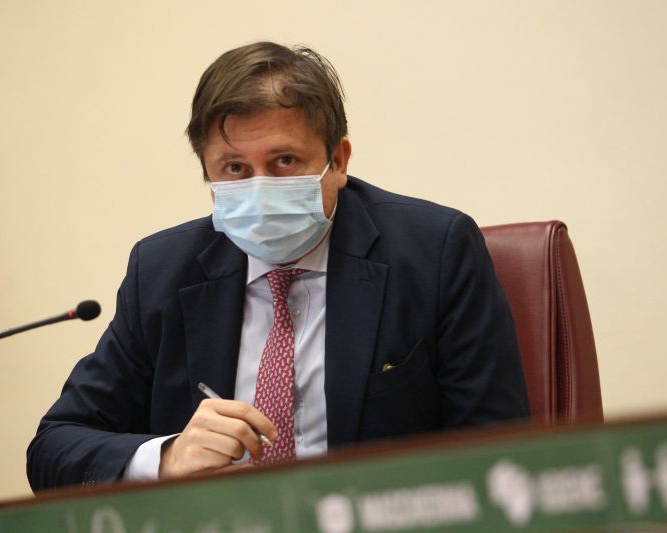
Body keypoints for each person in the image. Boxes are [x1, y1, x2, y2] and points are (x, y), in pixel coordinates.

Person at [26, 41, 530, 491]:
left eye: (284, 161)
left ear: (339, 161)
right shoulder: (161, 273)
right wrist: (167, 457)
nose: (260, 187)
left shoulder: (433, 253)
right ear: (208, 176)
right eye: (235, 168)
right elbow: (54, 447)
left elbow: (497, 451)